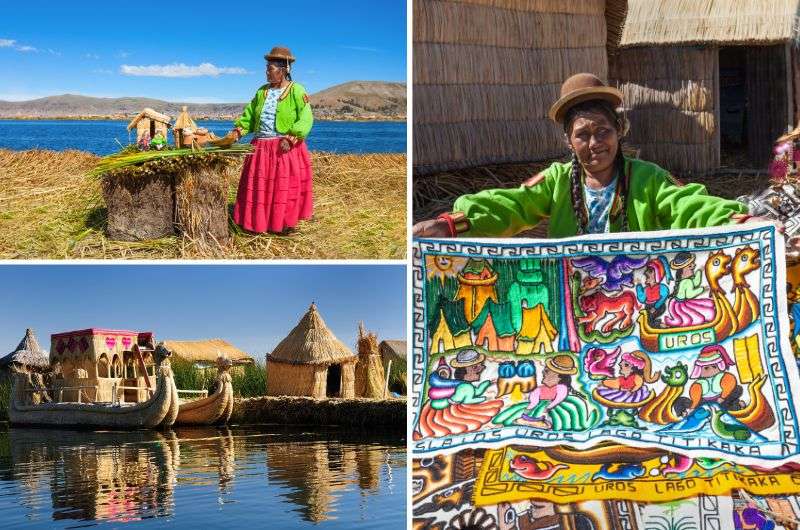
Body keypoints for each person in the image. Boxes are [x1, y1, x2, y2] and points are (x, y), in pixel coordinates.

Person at [413, 73, 769, 239]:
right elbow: (513, 205)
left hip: (639, 292)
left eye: (604, 132)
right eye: (582, 135)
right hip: (572, 293)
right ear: (569, 141)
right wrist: (451, 223)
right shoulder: (557, 180)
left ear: (619, 132)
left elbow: (687, 205)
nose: (595, 143)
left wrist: (738, 221)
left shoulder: (647, 177)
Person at [229, 46, 314, 234]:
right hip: (260, 147)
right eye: (266, 68)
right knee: (259, 187)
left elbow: (306, 118)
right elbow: (249, 115)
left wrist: (292, 138)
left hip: (284, 147)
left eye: (270, 68)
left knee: (283, 188)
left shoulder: (297, 91)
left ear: (283, 70)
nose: (267, 72)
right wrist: (238, 132)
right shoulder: (262, 92)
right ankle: (257, 223)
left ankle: (282, 224)